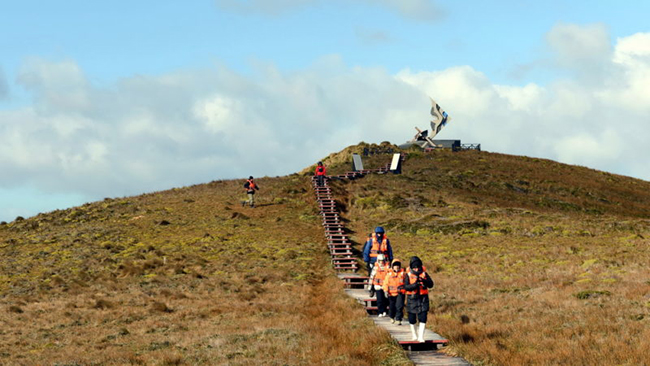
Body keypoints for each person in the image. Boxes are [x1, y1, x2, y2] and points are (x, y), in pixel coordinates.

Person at [404, 256, 434, 342]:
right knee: (412, 318)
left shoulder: (424, 274)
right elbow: (406, 287)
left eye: (418, 267)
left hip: (423, 298)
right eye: (414, 267)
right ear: (411, 267)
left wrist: (424, 282)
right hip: (412, 299)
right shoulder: (408, 275)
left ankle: (421, 337)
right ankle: (414, 335)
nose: (417, 269)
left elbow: (431, 284)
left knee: (423, 317)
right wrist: (415, 285)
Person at [383, 258, 405, 325]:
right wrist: (386, 291)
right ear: (392, 266)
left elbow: (406, 282)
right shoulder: (389, 275)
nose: (397, 267)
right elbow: (385, 283)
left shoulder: (403, 274)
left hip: (400, 293)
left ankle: (398, 319)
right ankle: (392, 317)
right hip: (391, 294)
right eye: (395, 265)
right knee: (392, 307)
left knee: (399, 306)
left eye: (398, 265)